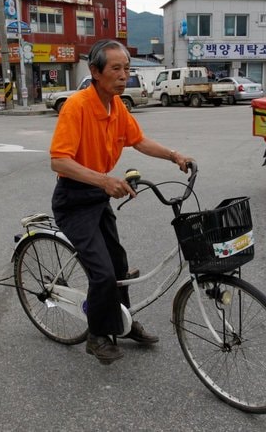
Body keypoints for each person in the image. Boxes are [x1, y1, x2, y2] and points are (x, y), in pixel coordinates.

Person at [49, 39, 193, 364]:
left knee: (120, 266)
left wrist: (174, 156)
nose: (123, 74)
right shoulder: (77, 107)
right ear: (95, 71)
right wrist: (104, 180)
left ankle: (122, 324)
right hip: (73, 199)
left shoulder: (117, 107)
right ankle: (98, 335)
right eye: (116, 68)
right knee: (101, 274)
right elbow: (59, 161)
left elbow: (138, 141)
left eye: (127, 68)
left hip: (99, 195)